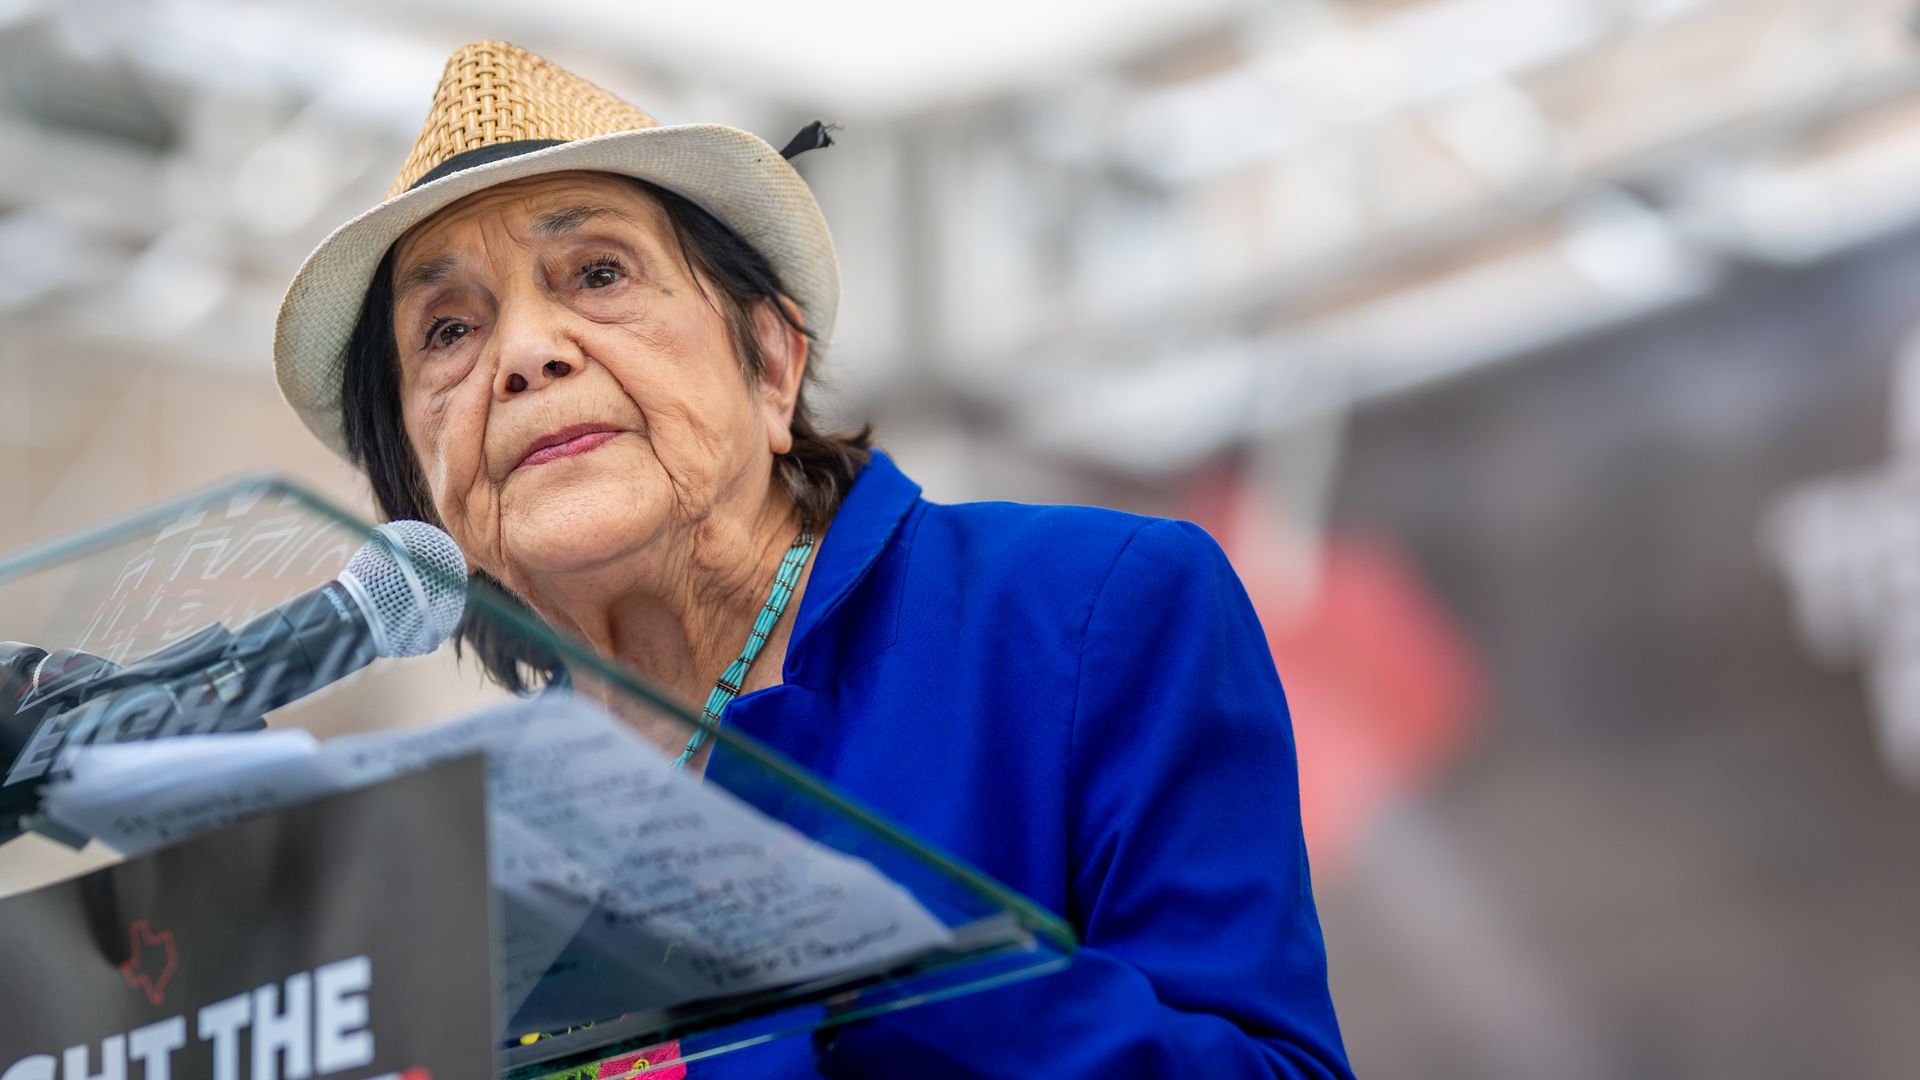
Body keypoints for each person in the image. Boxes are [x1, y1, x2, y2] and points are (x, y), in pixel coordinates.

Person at [273, 40, 1353, 1079]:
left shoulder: (1091, 609)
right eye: (447, 332)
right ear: (420, 481)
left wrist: (876, 967)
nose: (522, 354)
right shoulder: (448, 837)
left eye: (598, 272)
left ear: (774, 364)